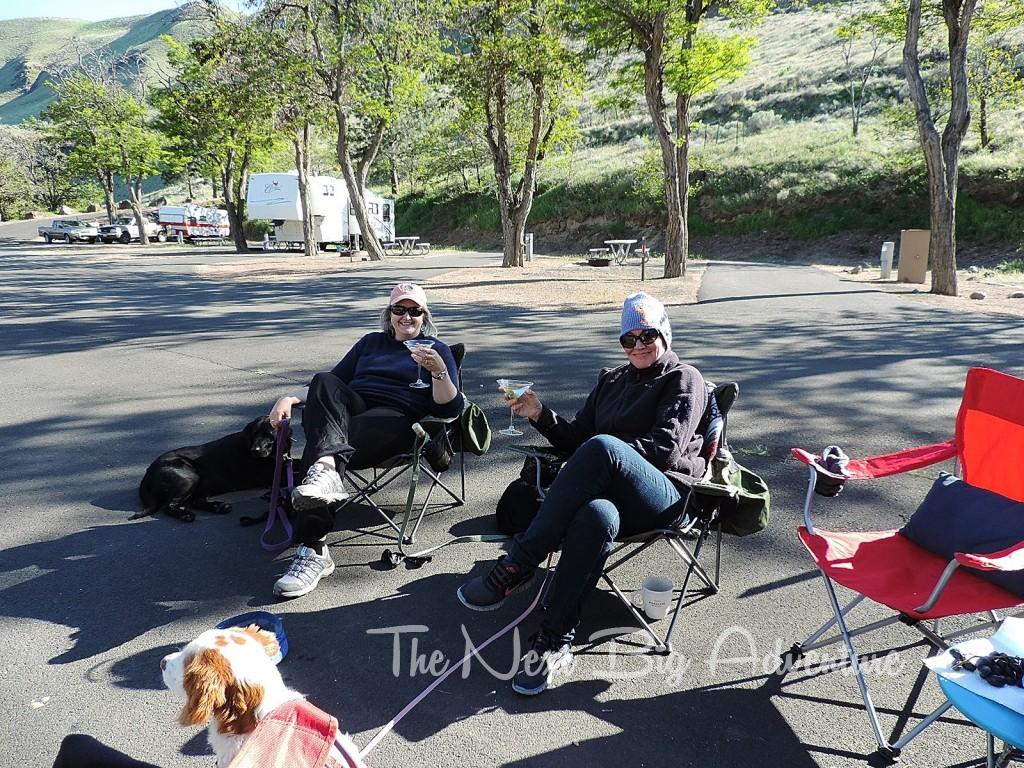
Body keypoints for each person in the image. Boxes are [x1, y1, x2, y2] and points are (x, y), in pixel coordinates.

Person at [457, 292, 708, 695]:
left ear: (665, 333)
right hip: (610, 495)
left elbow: (665, 450)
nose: (639, 345)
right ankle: (554, 639)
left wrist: (607, 455)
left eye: (648, 335)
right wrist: (539, 413)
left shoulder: (683, 378)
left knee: (604, 447)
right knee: (595, 515)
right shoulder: (611, 380)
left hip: (663, 495)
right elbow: (577, 439)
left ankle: (517, 564)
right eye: (629, 339)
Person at [269, 282, 463, 598]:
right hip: (353, 411)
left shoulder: (435, 349)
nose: (407, 316)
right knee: (323, 382)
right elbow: (330, 382)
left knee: (326, 444)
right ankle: (326, 474)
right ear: (389, 315)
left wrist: (439, 372)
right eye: (399, 309)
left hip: (398, 421)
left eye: (415, 311)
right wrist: (287, 398)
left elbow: (450, 408)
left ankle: (313, 547)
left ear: (424, 316)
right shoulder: (370, 343)